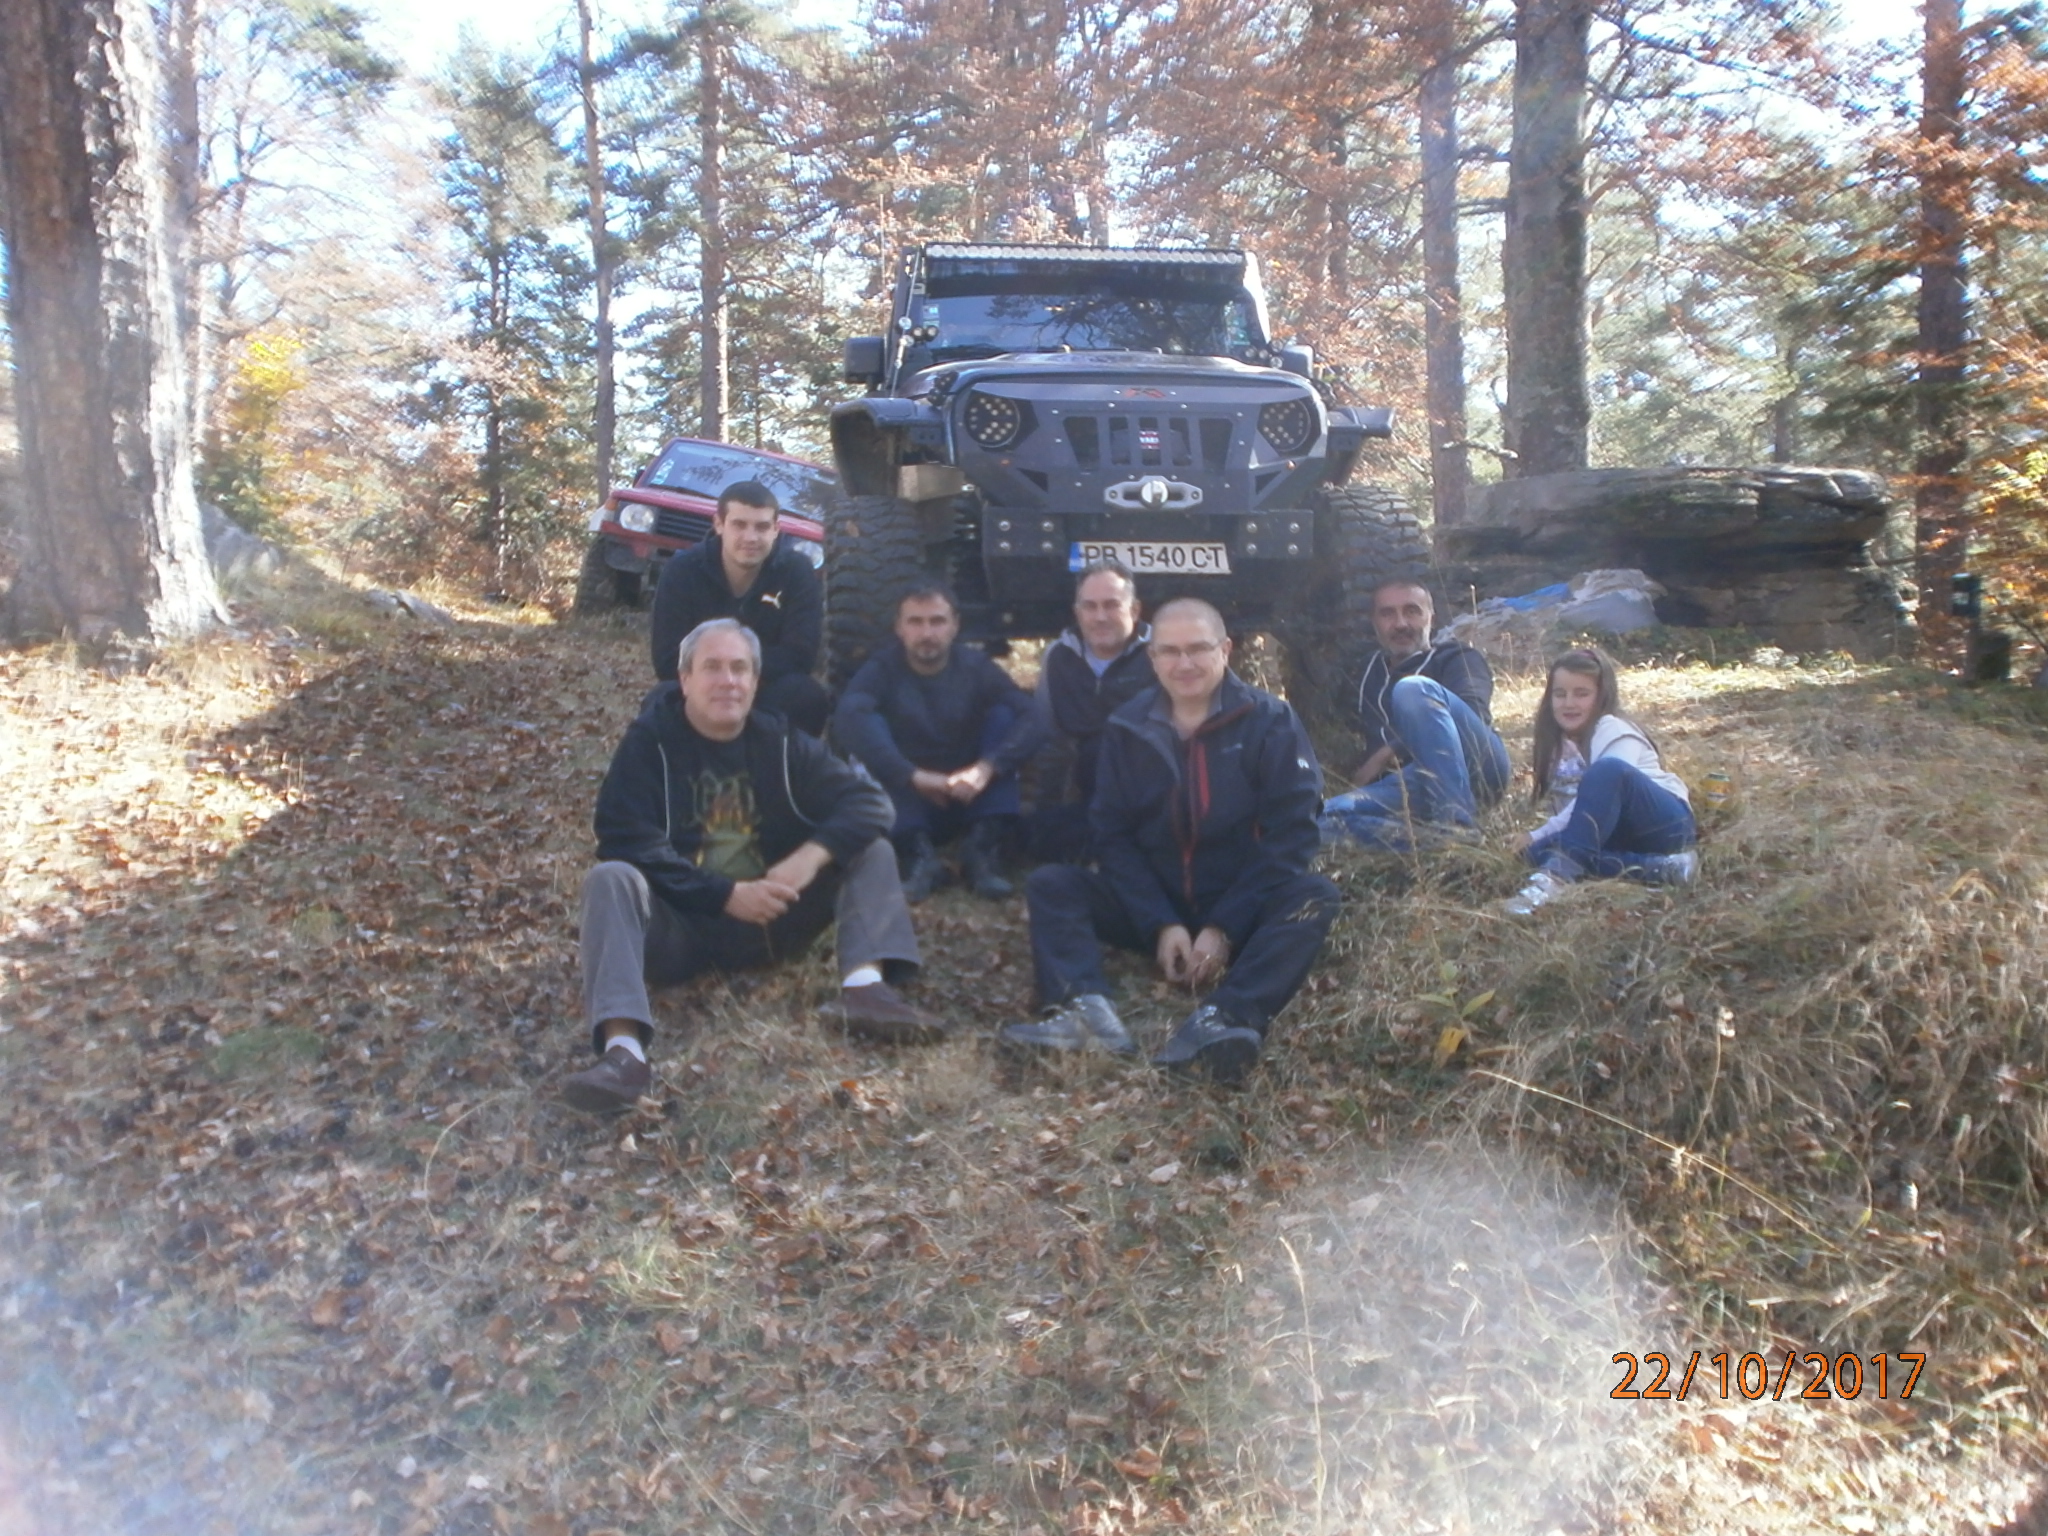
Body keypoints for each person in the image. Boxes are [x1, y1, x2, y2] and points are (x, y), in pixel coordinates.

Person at [562, 618, 940, 1114]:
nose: (728, 681)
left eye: (739, 669)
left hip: (773, 918)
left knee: (870, 848)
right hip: (682, 928)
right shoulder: (649, 743)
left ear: (756, 681)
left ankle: (865, 989)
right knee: (610, 877)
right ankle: (623, 1054)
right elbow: (623, 835)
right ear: (685, 679)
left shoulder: (781, 742)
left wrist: (808, 859)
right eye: (712, 668)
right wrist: (724, 895)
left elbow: (871, 803)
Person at [1000, 598, 1339, 1087]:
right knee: (1053, 885)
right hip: (1154, 900)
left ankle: (1225, 1019)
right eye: (1171, 651)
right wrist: (1159, 923)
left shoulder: (1271, 721)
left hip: (1241, 902)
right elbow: (1111, 835)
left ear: (1225, 649)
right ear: (1152, 658)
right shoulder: (1127, 727)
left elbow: (1292, 835)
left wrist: (1223, 929)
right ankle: (1086, 1013)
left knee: (1314, 897)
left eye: (1198, 649)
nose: (1185, 664)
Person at [832, 584, 1047, 901]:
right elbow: (848, 718)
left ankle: (982, 851)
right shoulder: (882, 670)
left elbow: (1033, 716)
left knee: (1005, 715)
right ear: (899, 627)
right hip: (909, 798)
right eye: (916, 622)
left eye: (937, 621)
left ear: (955, 625)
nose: (927, 633)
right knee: (868, 721)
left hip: (971, 792)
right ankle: (917, 857)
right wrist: (911, 775)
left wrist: (987, 768)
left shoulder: (975, 667)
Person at [1318, 578, 1510, 849]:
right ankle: (1430, 842)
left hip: (1473, 765)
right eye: (1388, 614)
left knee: (1413, 689)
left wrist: (1386, 754)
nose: (1400, 624)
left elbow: (1474, 715)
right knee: (1315, 820)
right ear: (1374, 623)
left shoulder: (1456, 658)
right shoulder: (1365, 672)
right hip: (1410, 784)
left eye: (1412, 611)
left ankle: (1455, 823)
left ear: (1432, 617)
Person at [1504, 647, 1697, 915]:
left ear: (1601, 696)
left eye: (1581, 694)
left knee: (1606, 770)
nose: (1569, 703)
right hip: (1617, 834)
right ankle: (1662, 869)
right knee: (1536, 852)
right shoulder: (1560, 745)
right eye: (1560, 694)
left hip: (1663, 823)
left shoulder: (1613, 728)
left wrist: (1536, 833)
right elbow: (1577, 821)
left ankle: (1554, 879)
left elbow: (1599, 797)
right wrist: (1537, 841)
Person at [648, 479, 829, 737]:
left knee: (806, 696)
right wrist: (720, 677)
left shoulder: (796, 572)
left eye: (762, 527)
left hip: (768, 688)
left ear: (776, 529)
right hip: (702, 688)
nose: (750, 537)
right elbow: (667, 659)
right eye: (739, 525)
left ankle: (778, 761)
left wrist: (741, 676)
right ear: (719, 524)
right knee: (661, 699)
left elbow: (801, 655)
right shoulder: (683, 570)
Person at [1032, 560, 1153, 862]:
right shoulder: (1059, 657)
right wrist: (1046, 807)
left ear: (1135, 610)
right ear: (1077, 612)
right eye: (1090, 606)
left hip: (1151, 786)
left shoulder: (1162, 654)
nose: (1100, 617)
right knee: (1039, 838)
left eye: (1111, 605)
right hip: (1089, 786)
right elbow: (1049, 740)